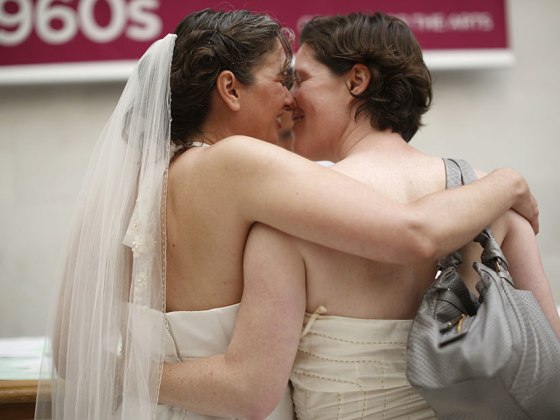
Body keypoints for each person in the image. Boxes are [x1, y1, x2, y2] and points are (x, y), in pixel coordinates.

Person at [35, 9, 539, 420]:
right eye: (282, 78)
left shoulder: (133, 186)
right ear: (231, 89)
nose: (290, 98)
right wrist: (507, 181)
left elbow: (68, 350)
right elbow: (414, 232)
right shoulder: (238, 164)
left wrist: (132, 374)